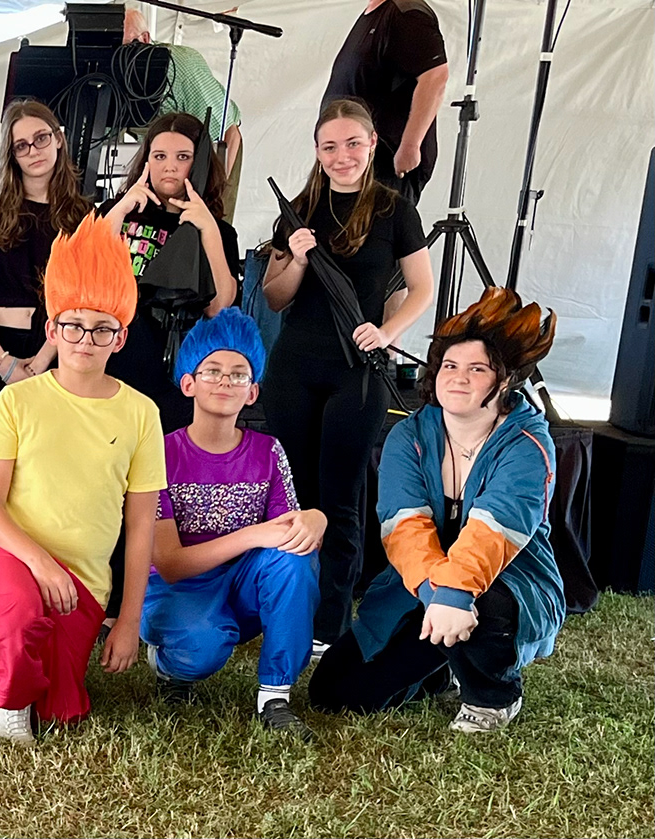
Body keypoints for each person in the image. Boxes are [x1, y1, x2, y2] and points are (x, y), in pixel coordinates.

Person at [310, 288, 560, 734]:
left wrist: (454, 598)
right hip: (421, 586)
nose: (458, 378)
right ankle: (442, 666)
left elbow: (493, 531)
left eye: (476, 369)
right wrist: (438, 597)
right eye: (449, 366)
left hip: (504, 580)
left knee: (488, 605)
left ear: (504, 381)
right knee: (335, 691)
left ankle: (493, 696)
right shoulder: (409, 436)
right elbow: (404, 527)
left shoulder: (528, 444)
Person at [0, 214, 164, 745]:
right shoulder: (16, 399)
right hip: (14, 553)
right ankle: (6, 697)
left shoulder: (141, 413)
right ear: (52, 328)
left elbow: (142, 526)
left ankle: (29, 667)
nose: (86, 339)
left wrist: (127, 621)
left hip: (85, 580)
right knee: (17, 627)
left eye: (102, 327)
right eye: (74, 325)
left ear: (120, 337)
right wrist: (39, 563)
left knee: (64, 709)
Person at [262, 98, 435, 652]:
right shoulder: (298, 209)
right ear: (316, 151)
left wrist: (387, 332)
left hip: (355, 373)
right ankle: (290, 607)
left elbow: (421, 289)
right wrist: (298, 260)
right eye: (330, 146)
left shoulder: (394, 210)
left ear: (372, 145)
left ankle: (329, 626)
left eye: (352, 144)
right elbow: (275, 296)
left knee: (339, 497)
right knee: (295, 495)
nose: (342, 156)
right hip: (294, 366)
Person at [139, 307, 322, 741]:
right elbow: (169, 564)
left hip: (242, 583)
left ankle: (275, 697)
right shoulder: (160, 453)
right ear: (188, 383)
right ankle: (170, 665)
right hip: (176, 588)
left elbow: (288, 530)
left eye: (238, 374)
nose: (225, 381)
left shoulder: (268, 451)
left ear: (253, 391)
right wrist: (253, 534)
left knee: (294, 559)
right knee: (202, 648)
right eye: (213, 371)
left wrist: (317, 518)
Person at [98, 111, 241, 432]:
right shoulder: (114, 213)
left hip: (175, 377)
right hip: (110, 367)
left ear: (200, 162)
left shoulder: (218, 232)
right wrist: (120, 207)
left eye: (183, 157)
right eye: (159, 156)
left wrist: (207, 228)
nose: (170, 166)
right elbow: (87, 266)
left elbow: (220, 306)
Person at [0, 100, 91, 444]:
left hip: (59, 347)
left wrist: (46, 357)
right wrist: (1, 363)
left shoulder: (84, 216)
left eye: (42, 138)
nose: (34, 150)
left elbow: (82, 296)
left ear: (59, 139)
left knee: (47, 462)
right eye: (22, 145)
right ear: (11, 155)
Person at [123, 7, 245, 219]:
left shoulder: (181, 66)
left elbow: (225, 133)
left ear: (144, 38)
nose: (116, 56)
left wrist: (215, 198)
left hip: (216, 150)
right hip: (162, 157)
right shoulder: (110, 71)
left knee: (209, 227)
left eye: (123, 46)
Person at [323, 0, 449, 204]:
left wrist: (410, 146)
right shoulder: (375, 13)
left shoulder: (406, 12)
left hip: (384, 163)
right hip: (357, 163)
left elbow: (435, 77)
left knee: (381, 232)